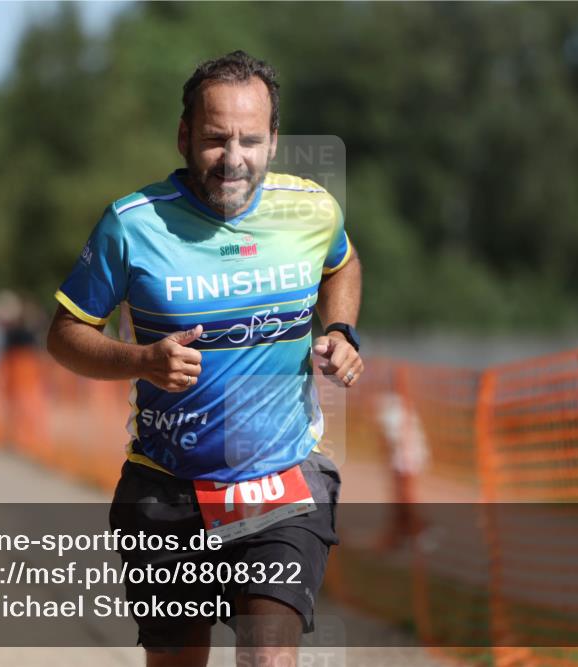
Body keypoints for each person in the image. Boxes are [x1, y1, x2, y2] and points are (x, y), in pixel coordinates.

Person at [47, 50, 363, 667]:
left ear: (273, 141)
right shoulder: (131, 225)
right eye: (217, 140)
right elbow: (64, 334)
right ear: (185, 135)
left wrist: (343, 329)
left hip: (279, 480)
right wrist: (140, 360)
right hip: (166, 488)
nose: (233, 159)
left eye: (250, 140)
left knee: (268, 659)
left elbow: (342, 262)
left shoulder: (311, 210)